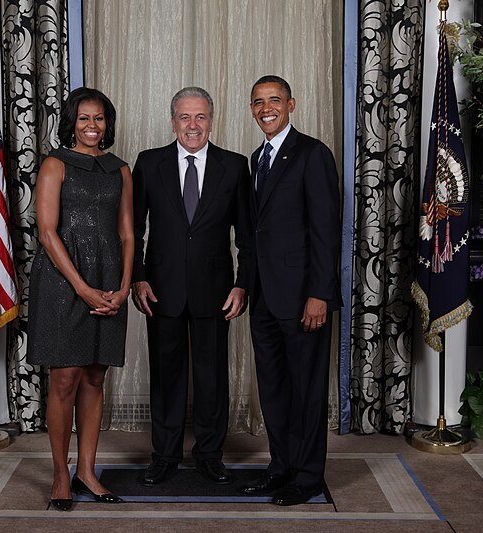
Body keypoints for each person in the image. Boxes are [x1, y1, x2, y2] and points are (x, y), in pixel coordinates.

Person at [131, 86, 251, 486]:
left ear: (212, 120)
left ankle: (209, 454)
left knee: (212, 377)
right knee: (166, 378)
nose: (193, 125)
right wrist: (138, 277)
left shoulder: (234, 167)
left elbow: (247, 237)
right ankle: (164, 455)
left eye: (200, 117)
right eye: (185, 117)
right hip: (161, 289)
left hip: (216, 291)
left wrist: (241, 284)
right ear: (173, 121)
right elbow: (133, 230)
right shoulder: (149, 164)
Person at [26, 87, 134, 511]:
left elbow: (128, 233)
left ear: (108, 124)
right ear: (71, 121)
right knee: (65, 377)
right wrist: (83, 288)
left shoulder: (120, 170)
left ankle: (88, 471)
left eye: (100, 119)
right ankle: (60, 473)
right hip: (61, 280)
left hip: (109, 277)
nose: (93, 126)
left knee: (95, 376)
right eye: (85, 118)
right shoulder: (55, 164)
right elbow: (47, 232)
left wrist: (123, 286)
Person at [241, 75, 341, 506]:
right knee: (275, 389)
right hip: (264, 297)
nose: (266, 108)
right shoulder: (254, 159)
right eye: (259, 102)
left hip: (303, 297)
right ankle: (280, 466)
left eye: (274, 100)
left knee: (307, 390)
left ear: (291, 105)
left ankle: (307, 475)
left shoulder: (313, 154)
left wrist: (320, 292)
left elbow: (325, 230)